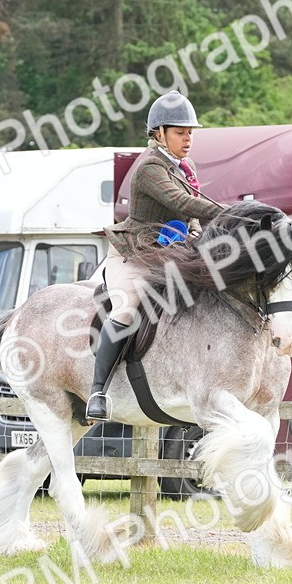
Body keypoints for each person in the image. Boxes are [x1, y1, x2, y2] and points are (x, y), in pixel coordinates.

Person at [86, 90, 224, 421]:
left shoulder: (185, 165)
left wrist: (198, 231)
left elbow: (190, 214)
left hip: (170, 252)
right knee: (127, 305)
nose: (188, 138)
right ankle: (97, 391)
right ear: (159, 134)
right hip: (135, 253)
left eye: (190, 132)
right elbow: (182, 202)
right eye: (180, 132)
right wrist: (230, 213)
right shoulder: (150, 166)